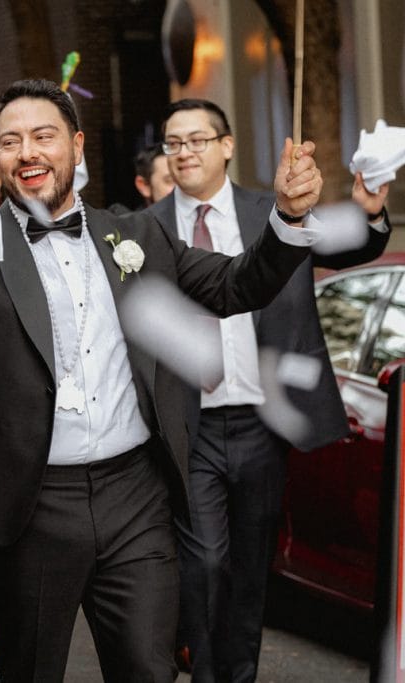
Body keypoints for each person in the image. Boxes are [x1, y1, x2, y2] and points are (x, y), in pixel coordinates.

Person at [0, 78, 324, 681]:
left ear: (77, 146)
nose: (27, 152)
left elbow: (236, 284)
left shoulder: (137, 237)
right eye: (10, 142)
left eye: (43, 136)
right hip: (28, 499)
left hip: (134, 496)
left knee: (148, 668)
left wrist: (289, 217)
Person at [148, 98, 391, 683]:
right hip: (192, 424)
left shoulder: (273, 211)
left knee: (251, 569)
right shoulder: (146, 228)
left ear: (227, 146)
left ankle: (239, 675)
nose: (185, 152)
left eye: (198, 140)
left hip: (262, 422)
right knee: (205, 561)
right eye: (173, 143)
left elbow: (357, 245)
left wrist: (372, 210)